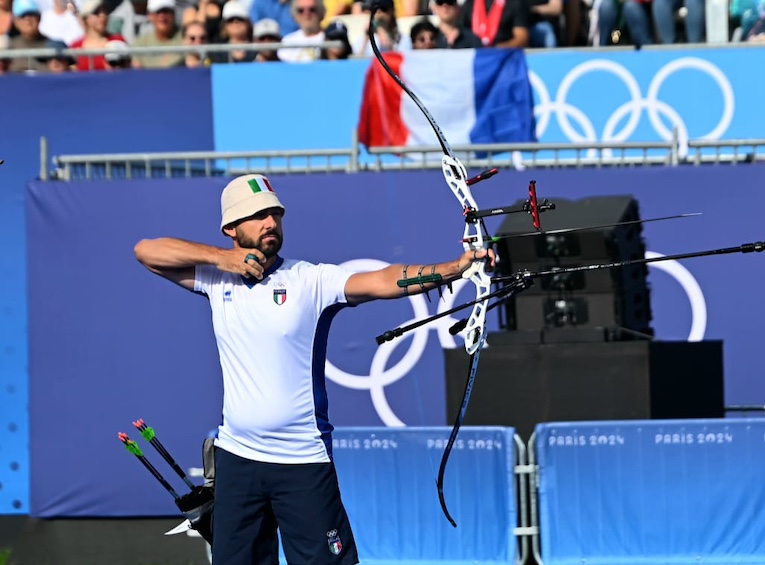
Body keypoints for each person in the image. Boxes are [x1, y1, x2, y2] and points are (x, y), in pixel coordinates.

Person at [132, 174, 496, 565]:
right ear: (231, 229)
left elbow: (383, 280)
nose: (270, 222)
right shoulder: (215, 278)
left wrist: (456, 267)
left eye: (275, 213)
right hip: (238, 459)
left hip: (302, 460)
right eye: (257, 215)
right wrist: (222, 258)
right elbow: (146, 251)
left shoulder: (310, 279)